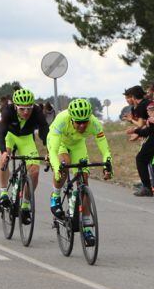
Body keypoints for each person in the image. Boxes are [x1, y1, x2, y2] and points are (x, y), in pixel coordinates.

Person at [46, 99, 113, 244]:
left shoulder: (94, 123)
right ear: (71, 119)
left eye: (85, 122)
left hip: (78, 145)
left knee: (84, 180)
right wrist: (57, 167)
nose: (82, 126)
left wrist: (108, 163)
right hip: (60, 143)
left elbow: (104, 146)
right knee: (64, 165)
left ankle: (87, 226)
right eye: (78, 122)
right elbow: (53, 150)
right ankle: (55, 195)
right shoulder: (62, 120)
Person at [0, 88, 50, 222]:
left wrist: (50, 151)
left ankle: (25, 205)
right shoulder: (7, 111)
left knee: (34, 170)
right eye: (22, 109)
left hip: (26, 139)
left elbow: (45, 131)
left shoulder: (37, 111)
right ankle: (3, 193)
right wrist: (3, 152)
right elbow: (1, 133)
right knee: (5, 159)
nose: (26, 112)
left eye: (29, 108)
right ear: (15, 107)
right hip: (10, 136)